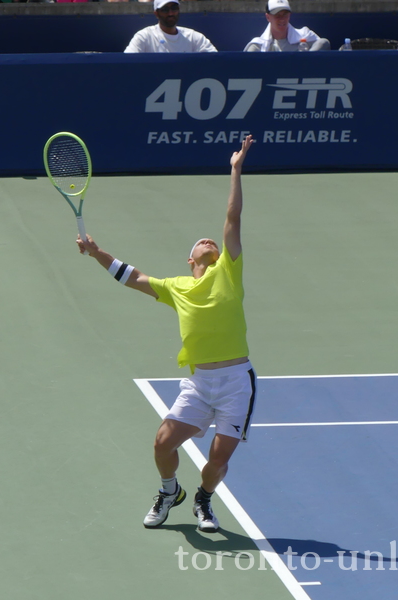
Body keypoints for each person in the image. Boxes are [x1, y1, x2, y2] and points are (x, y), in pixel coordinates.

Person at [76, 136, 256, 533]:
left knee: (217, 461)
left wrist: (235, 169)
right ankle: (169, 490)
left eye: (212, 241)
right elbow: (132, 277)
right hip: (201, 381)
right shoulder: (176, 287)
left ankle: (204, 500)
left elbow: (232, 218)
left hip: (236, 383)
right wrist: (97, 252)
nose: (209, 241)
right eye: (200, 244)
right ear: (190, 260)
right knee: (162, 443)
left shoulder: (230, 269)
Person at [124, 0, 217, 53]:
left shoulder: (194, 37)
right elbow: (128, 62)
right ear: (156, 14)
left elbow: (215, 60)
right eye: (165, 10)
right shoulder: (144, 36)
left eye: (174, 8)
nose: (171, 13)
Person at [244, 0, 330, 52]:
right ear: (268, 17)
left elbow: (324, 43)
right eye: (277, 15)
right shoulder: (258, 45)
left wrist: (305, 60)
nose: (282, 19)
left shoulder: (305, 34)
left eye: (285, 14)